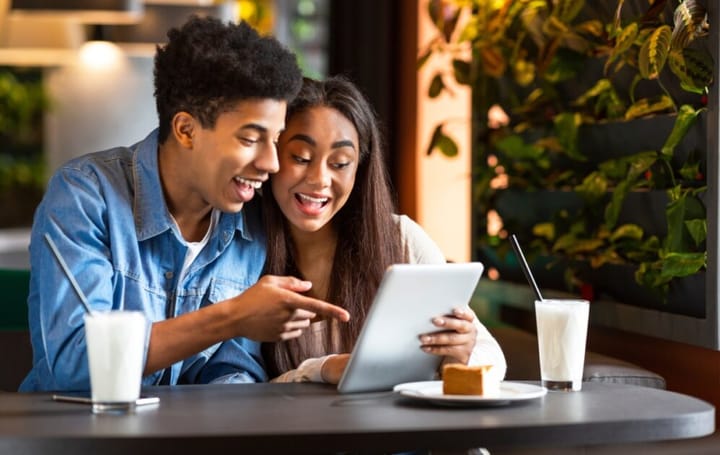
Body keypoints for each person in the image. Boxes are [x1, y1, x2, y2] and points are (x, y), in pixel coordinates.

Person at [19, 16, 350, 392]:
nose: (271, 163)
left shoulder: (248, 223)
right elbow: (73, 366)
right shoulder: (84, 197)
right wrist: (232, 317)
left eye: (274, 140)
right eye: (250, 138)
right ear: (186, 130)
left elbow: (230, 374)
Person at [261, 76, 506, 383]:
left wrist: (463, 351)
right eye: (301, 158)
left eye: (340, 163)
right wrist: (320, 370)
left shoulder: (400, 239)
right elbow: (232, 392)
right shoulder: (241, 249)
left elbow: (491, 358)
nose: (319, 179)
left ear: (359, 169)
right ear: (270, 155)